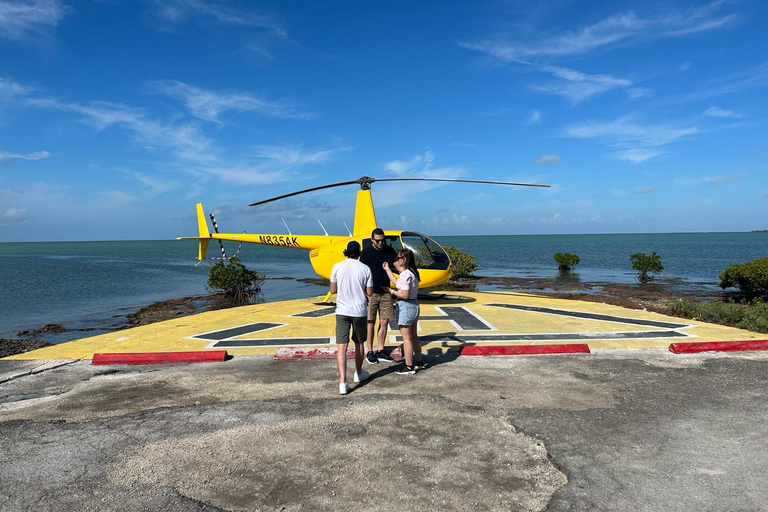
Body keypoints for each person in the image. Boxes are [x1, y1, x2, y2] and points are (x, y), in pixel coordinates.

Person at [330, 240, 373, 395]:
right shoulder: (365, 269)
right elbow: (369, 293)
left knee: (342, 345)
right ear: (360, 253)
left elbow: (333, 290)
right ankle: (359, 372)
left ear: (346, 252)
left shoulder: (337, 266)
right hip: (359, 310)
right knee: (359, 343)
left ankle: (342, 382)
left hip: (342, 310)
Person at [383, 248, 426, 375]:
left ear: (404, 259)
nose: (397, 260)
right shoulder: (412, 272)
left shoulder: (406, 274)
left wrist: (390, 292)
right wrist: (388, 270)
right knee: (414, 336)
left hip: (406, 306)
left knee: (406, 339)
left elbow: (404, 294)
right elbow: (397, 283)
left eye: (399, 258)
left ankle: (408, 366)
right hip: (414, 305)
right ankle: (419, 362)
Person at [359, 227, 397, 364]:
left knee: (385, 321)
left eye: (383, 240)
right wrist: (362, 291)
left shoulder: (389, 251)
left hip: (385, 292)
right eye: (378, 241)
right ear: (372, 240)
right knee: (370, 322)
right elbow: (360, 271)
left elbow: (398, 265)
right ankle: (370, 351)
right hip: (371, 292)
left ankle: (380, 350)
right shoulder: (367, 253)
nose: (381, 243)